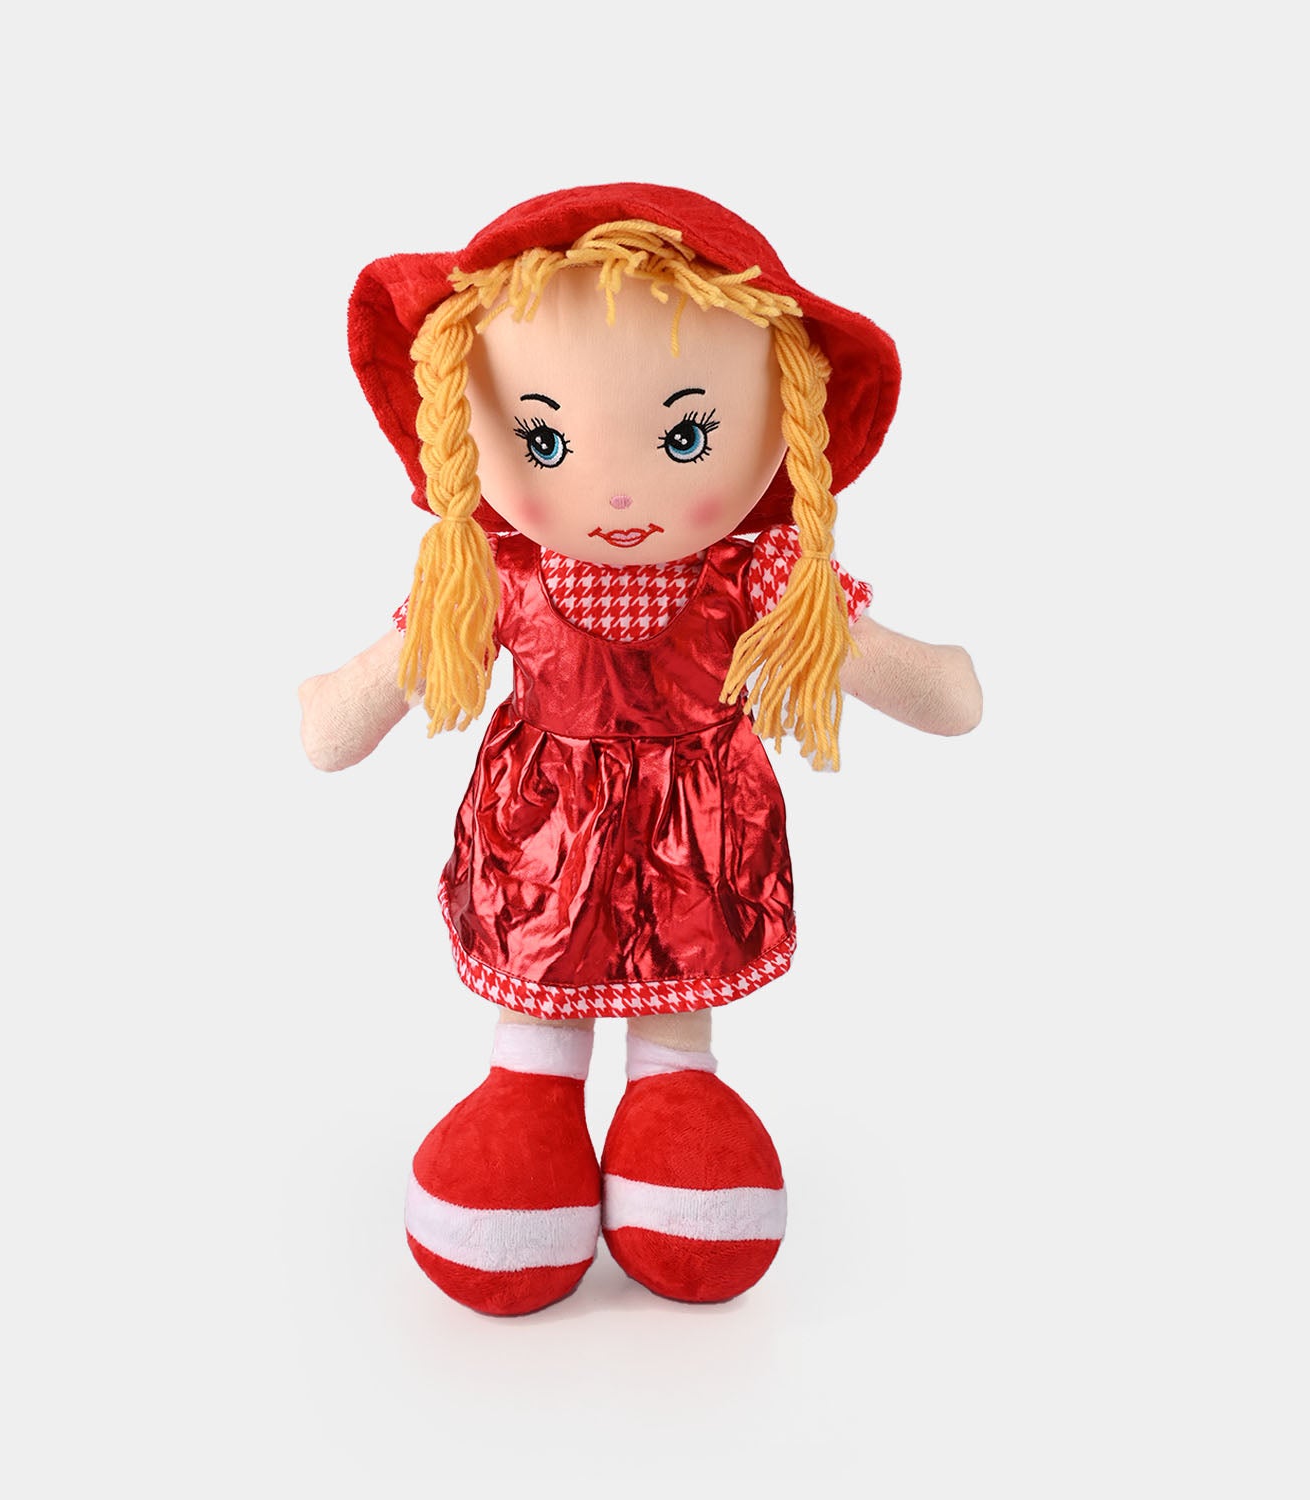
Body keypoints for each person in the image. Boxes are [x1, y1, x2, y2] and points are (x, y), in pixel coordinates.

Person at [298, 185, 981, 1315]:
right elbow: (366, 699)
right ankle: (532, 1094)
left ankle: (674, 1096)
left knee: (677, 990)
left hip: (692, 830)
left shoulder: (755, 575)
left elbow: (895, 673)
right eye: (544, 440)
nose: (616, 493)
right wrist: (337, 705)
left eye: (685, 436)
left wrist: (937, 681)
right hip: (547, 835)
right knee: (543, 990)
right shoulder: (497, 574)